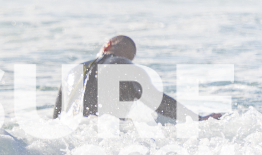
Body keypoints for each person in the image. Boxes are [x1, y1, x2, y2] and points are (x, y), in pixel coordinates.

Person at [53, 35, 222, 121]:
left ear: (107, 46)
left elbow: (55, 119)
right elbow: (155, 100)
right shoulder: (123, 65)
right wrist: (198, 119)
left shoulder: (72, 72)